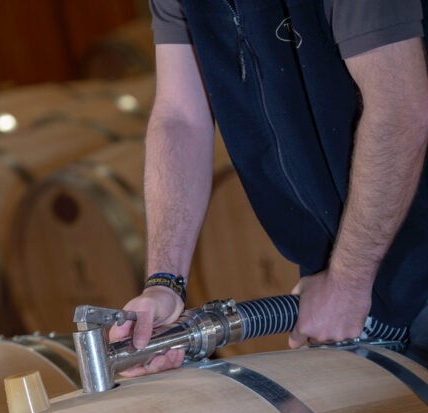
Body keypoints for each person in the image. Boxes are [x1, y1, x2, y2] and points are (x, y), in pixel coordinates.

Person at [111, 1, 428, 375]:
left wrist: (348, 281)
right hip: (346, 262)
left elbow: (399, 110)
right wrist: (164, 284)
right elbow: (180, 119)